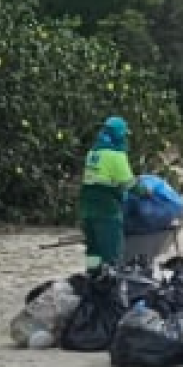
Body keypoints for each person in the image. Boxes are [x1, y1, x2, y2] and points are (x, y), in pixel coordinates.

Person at [80, 116, 140, 271]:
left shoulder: (93, 152)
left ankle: (92, 279)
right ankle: (110, 287)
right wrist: (146, 192)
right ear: (119, 134)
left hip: (87, 211)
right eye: (124, 135)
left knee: (93, 252)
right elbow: (129, 184)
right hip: (106, 211)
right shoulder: (116, 155)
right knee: (111, 253)